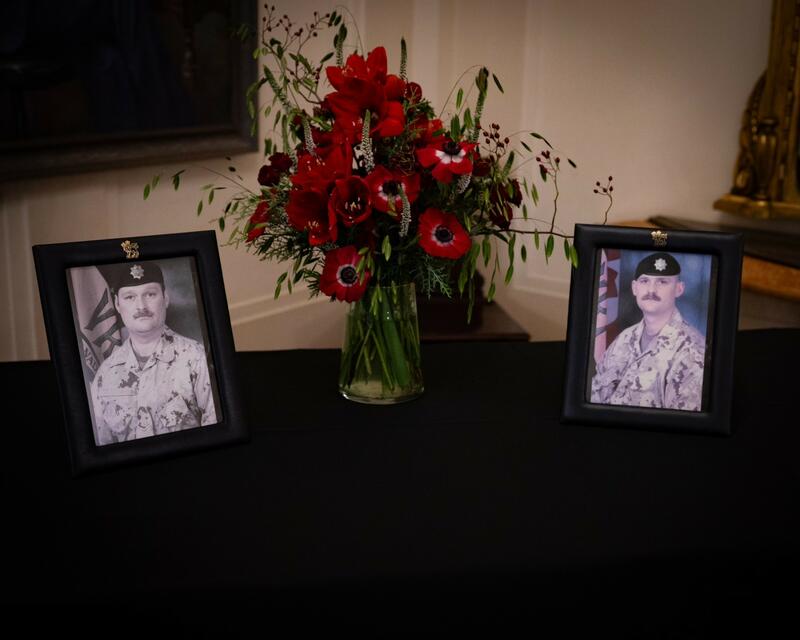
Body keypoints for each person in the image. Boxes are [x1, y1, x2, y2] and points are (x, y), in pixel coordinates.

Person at [89, 262, 217, 445]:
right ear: (117, 304)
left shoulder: (196, 359)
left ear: (165, 298)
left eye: (150, 294)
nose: (141, 305)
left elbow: (215, 438)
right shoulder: (105, 375)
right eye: (130, 297)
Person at [590, 252, 706, 412]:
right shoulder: (624, 339)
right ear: (634, 288)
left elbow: (683, 423)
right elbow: (595, 396)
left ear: (679, 289)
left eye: (662, 282)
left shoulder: (692, 352)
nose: (651, 289)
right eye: (645, 281)